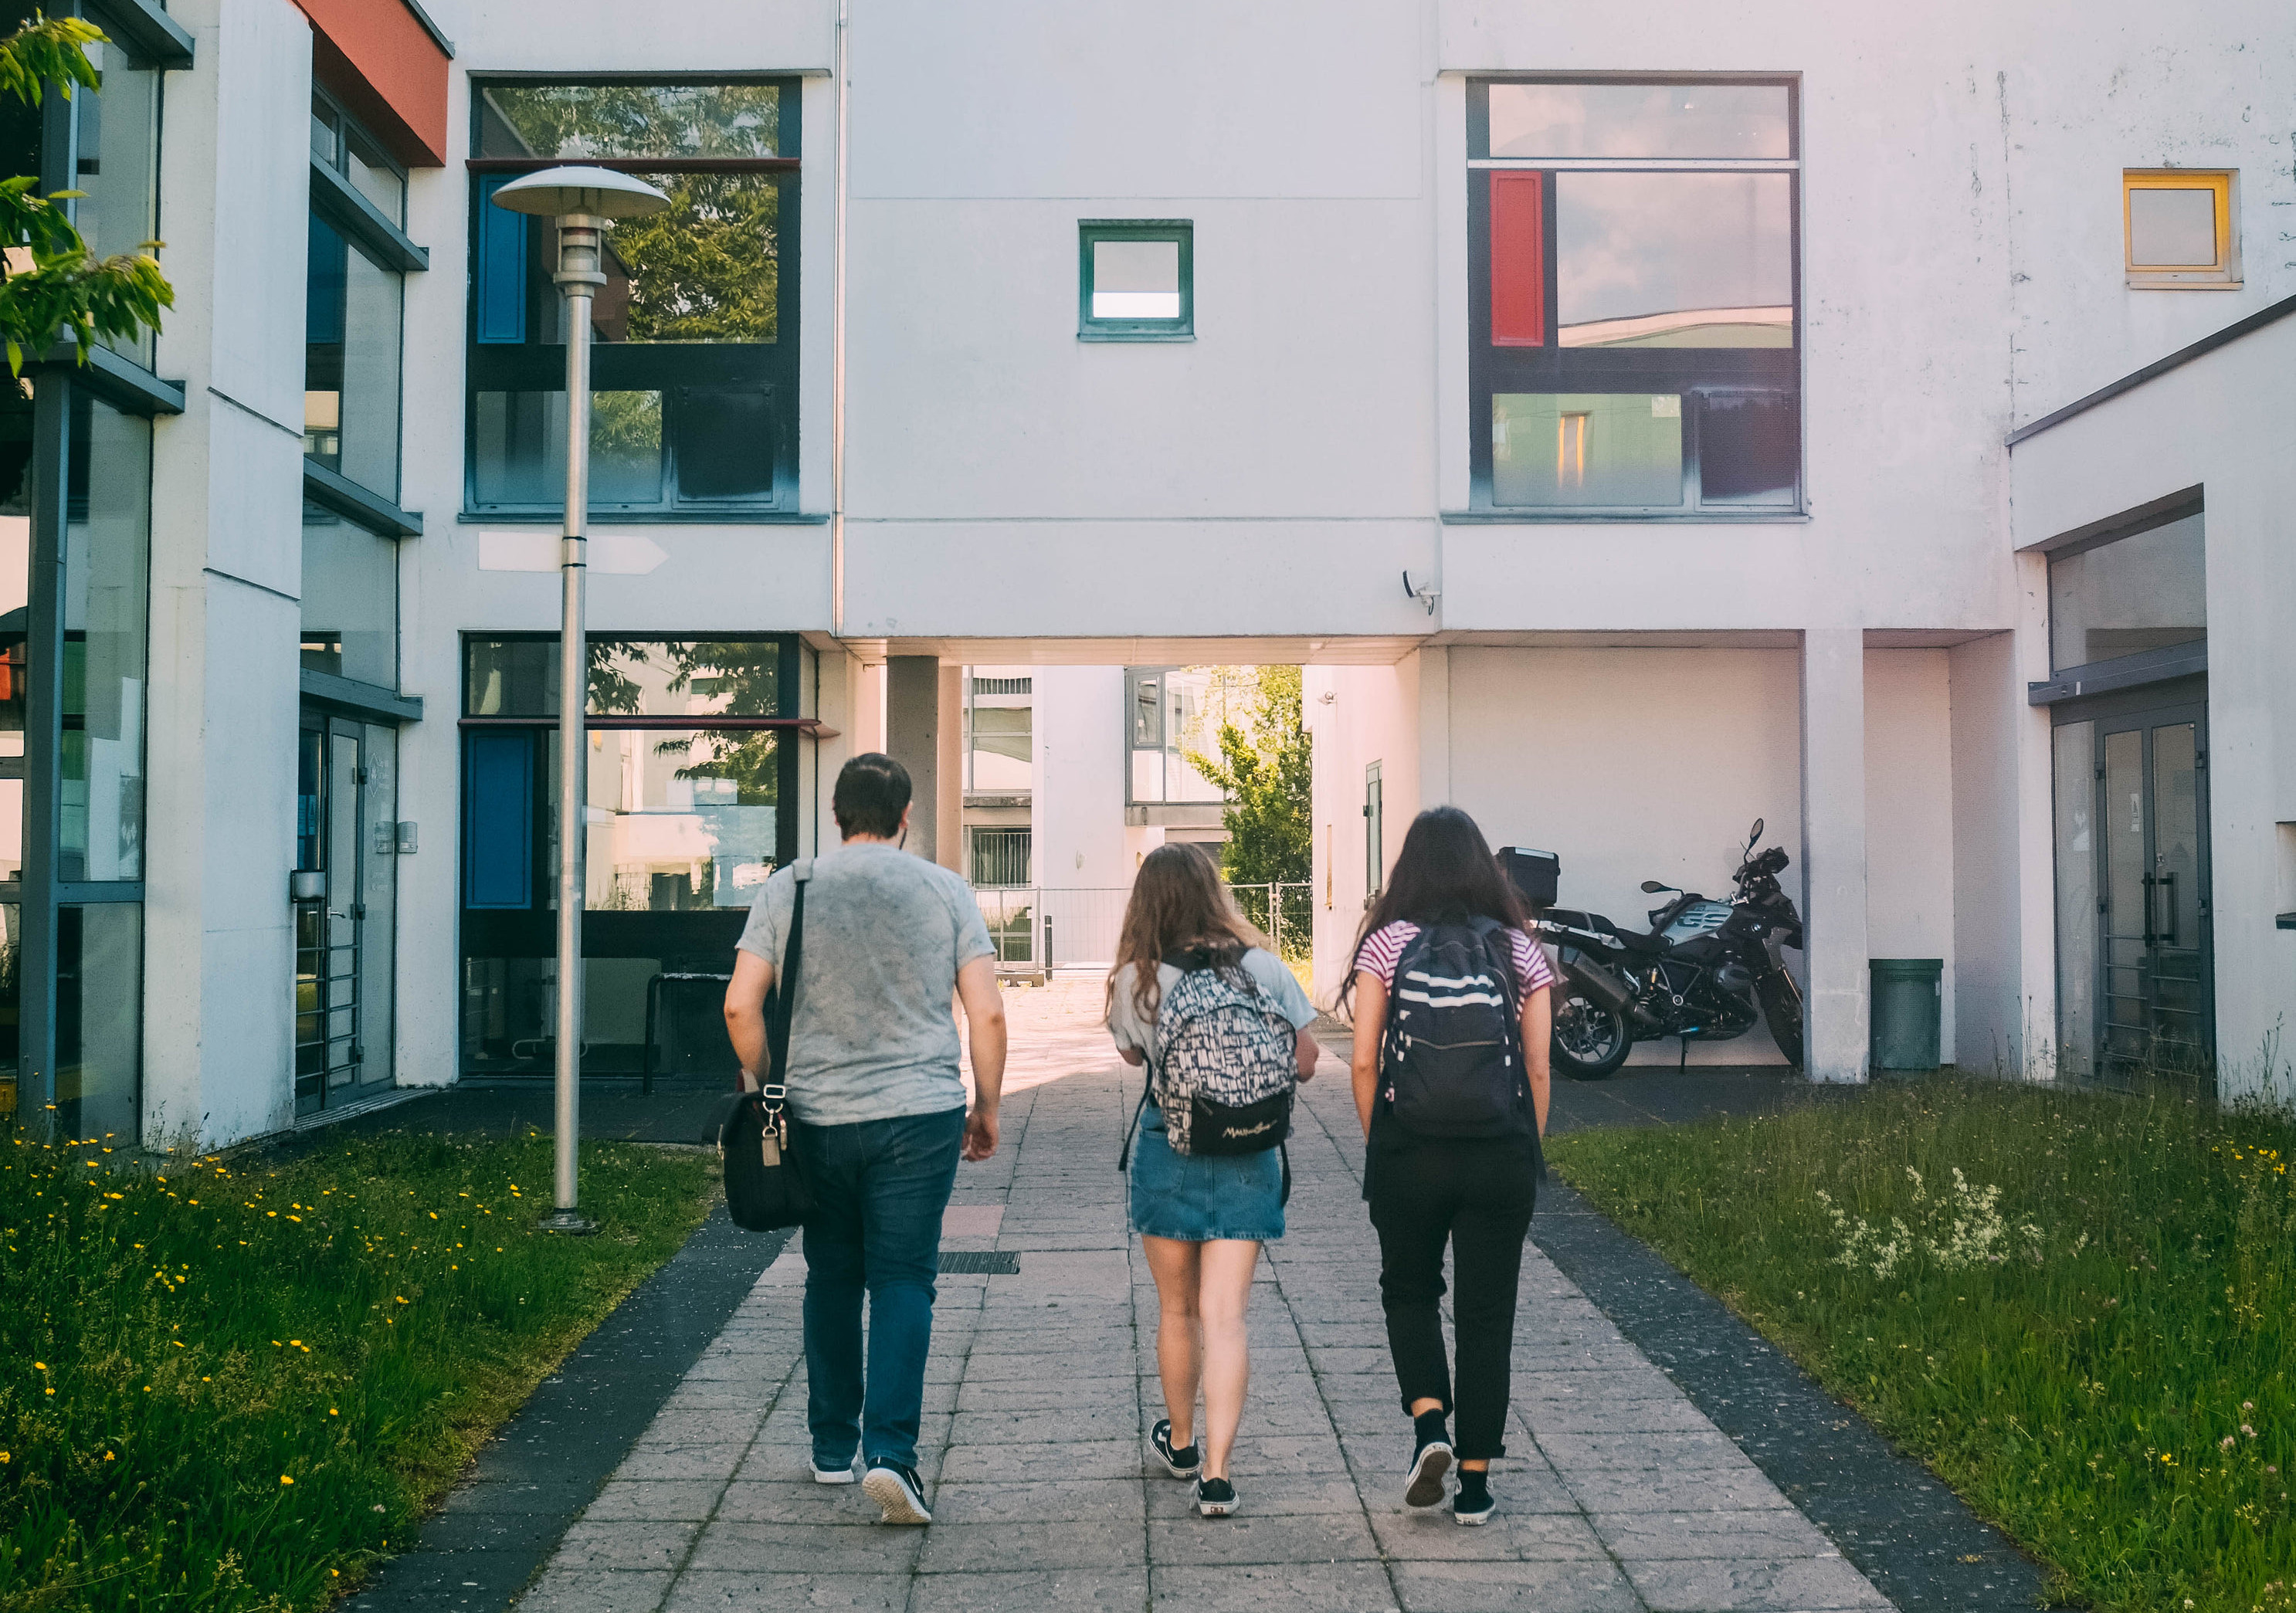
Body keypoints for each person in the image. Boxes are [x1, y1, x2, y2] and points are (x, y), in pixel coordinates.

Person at [724, 752, 1007, 1527]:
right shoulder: (946, 889)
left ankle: (828, 1448)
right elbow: (985, 1012)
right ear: (906, 817)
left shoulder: (793, 887)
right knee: (905, 1279)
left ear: (836, 813)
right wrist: (986, 1105)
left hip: (815, 1115)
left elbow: (740, 1008)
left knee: (832, 1275)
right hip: (919, 1117)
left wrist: (765, 1085)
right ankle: (891, 1455)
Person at [1344, 806, 1552, 1526]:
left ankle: (1429, 1424)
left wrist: (1383, 1143)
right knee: (1487, 1314)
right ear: (1482, 869)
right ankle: (1474, 1484)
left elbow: (1363, 1058)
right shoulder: (1520, 950)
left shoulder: (1387, 942)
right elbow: (1536, 1066)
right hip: (1498, 1152)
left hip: (1410, 1148)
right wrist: (1526, 1150)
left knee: (1408, 1289)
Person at [1104, 843, 1321, 1517]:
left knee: (1177, 1309)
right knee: (1225, 1315)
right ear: (1213, 892)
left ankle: (1183, 1443)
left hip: (1167, 1148)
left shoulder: (1135, 978)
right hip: (1249, 1152)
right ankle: (1220, 1476)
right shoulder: (1261, 966)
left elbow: (1131, 1053)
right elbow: (1307, 1060)